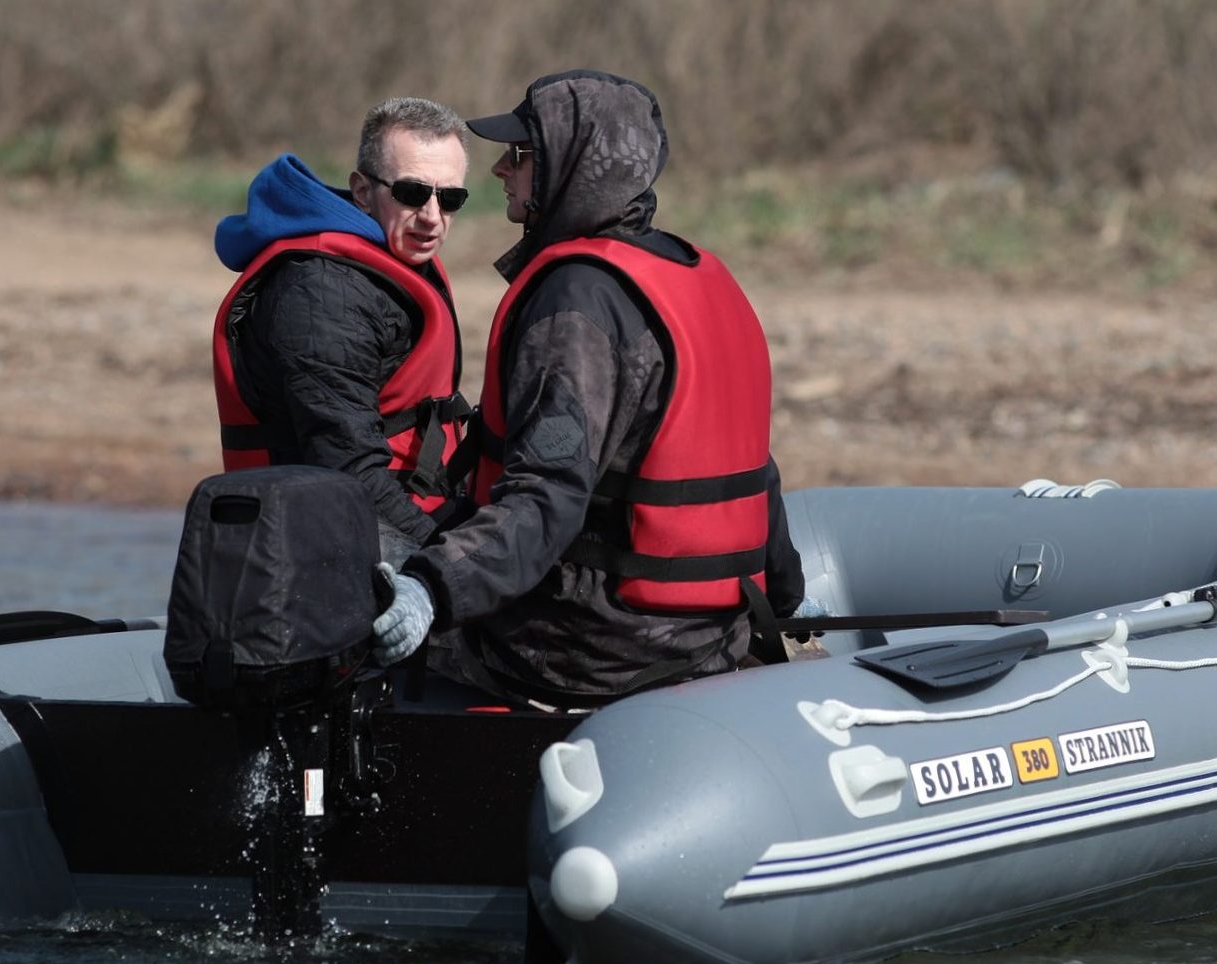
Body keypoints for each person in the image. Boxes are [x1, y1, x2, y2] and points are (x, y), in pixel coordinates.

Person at [371, 70, 805, 708]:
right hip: (714, 635)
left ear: (569, 169)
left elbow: (546, 497)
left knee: (347, 623)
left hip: (590, 651)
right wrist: (789, 604)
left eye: (519, 156)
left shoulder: (576, 303)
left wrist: (431, 588)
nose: (499, 171)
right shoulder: (695, 275)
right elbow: (755, 475)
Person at [211, 97, 470, 565]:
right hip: (319, 554)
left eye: (450, 197)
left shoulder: (394, 261)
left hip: (415, 514)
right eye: (412, 193)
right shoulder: (322, 295)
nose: (433, 216)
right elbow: (350, 475)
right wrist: (460, 568)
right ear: (363, 191)